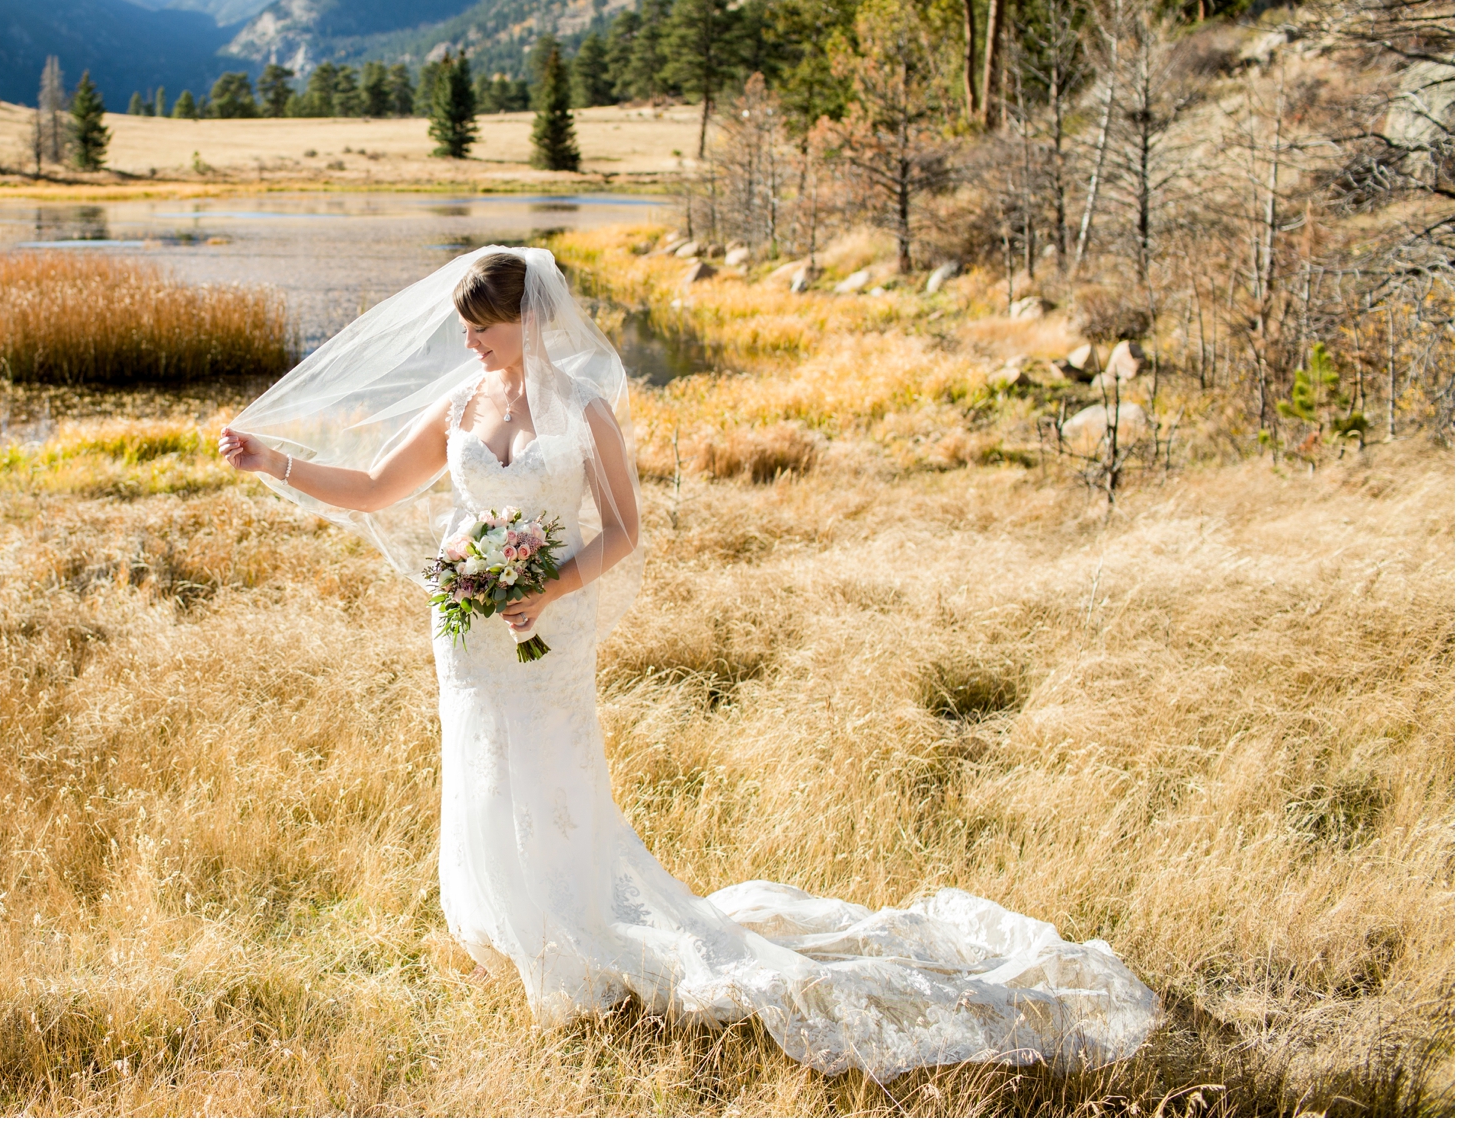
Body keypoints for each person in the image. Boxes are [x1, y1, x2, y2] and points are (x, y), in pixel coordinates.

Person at [218, 246, 1159, 1084]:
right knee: (478, 768)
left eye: (484, 329)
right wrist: (271, 461)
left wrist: (548, 590)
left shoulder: (584, 412)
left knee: (551, 775)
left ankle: (571, 933)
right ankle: (505, 931)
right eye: (466, 331)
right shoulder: (460, 403)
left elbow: (625, 530)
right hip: (468, 629)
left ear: (529, 319)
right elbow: (380, 486)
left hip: (547, 623)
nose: (470, 346)